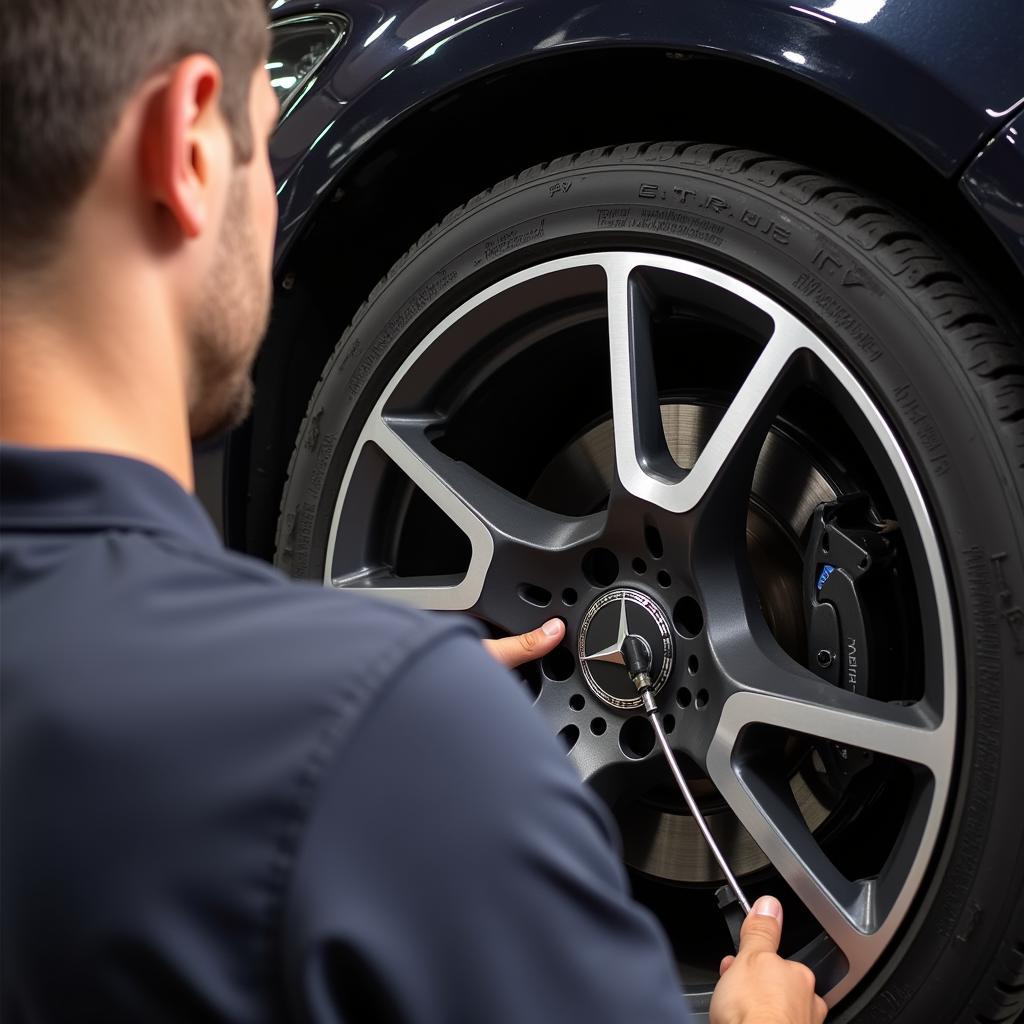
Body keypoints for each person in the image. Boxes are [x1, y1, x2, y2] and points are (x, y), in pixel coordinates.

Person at [0, 2, 827, 1022]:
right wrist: (399, 733)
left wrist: (380, 733)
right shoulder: (386, 737)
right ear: (189, 146)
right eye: (265, 138)